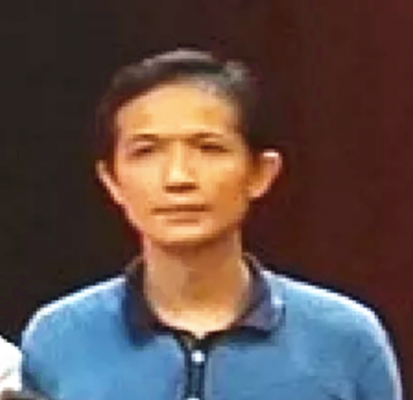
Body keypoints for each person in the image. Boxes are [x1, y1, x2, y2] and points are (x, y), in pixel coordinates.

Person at [21, 49, 403, 400]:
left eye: (209, 148)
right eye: (146, 151)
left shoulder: (345, 338)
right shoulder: (59, 338)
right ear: (112, 181)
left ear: (261, 173)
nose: (178, 177)